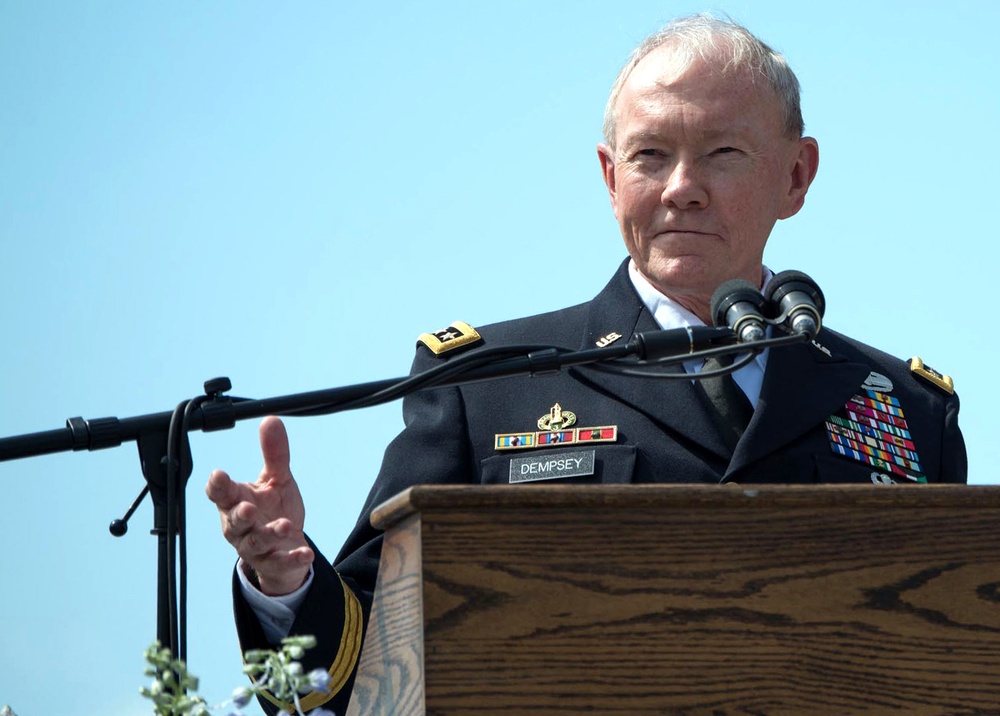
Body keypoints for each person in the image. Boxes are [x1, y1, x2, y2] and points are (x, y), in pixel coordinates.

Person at [206, 14, 967, 715]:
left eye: (722, 153)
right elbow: (357, 672)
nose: (681, 189)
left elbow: (955, 658)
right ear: (610, 179)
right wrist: (288, 583)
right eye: (649, 156)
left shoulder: (906, 407)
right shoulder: (489, 386)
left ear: (796, 177)